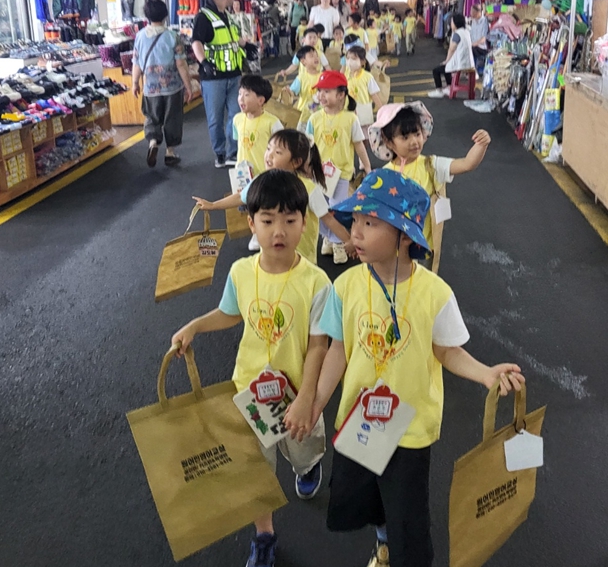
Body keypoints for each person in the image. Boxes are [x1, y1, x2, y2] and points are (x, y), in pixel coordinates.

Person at [310, 169, 524, 567]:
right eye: (354, 221)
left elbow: (448, 351)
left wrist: (485, 373)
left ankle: (403, 552)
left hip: (410, 425)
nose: (355, 232)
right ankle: (383, 542)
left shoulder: (435, 293)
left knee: (407, 509)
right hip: (360, 419)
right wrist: (316, 403)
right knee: (366, 495)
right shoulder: (345, 287)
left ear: (404, 235)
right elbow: (337, 350)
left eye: (369, 223)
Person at [172, 170, 332, 567]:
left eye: (290, 220)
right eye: (267, 220)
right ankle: (264, 535)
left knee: (301, 449)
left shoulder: (317, 282)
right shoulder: (241, 272)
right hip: (249, 390)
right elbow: (230, 314)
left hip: (297, 393)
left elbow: (318, 346)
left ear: (304, 222)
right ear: (251, 223)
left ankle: (308, 465)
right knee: (253, 469)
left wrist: (308, 397)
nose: (279, 231)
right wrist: (195, 325)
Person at [193, 130, 355, 264]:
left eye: (277, 152)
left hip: (302, 258)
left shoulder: (309, 189)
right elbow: (240, 197)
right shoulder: (262, 181)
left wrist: (349, 241)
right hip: (271, 255)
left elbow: (328, 219)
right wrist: (213, 205)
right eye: (268, 148)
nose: (269, 155)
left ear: (296, 162)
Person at [368, 102, 491, 269]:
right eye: (405, 137)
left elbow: (466, 164)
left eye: (417, 134)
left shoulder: (431, 165)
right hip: (394, 248)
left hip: (423, 245)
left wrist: (481, 145)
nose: (414, 142)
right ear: (389, 142)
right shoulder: (383, 175)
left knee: (422, 284)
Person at [306, 71, 371, 264]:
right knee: (320, 208)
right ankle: (328, 237)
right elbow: (308, 146)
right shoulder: (314, 119)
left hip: (341, 174)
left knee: (338, 210)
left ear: (341, 94)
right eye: (320, 92)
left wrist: (366, 166)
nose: (321, 96)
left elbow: (359, 144)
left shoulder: (351, 119)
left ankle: (338, 243)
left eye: (327, 91)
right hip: (317, 173)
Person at [131, 0, 194, 168]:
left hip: (150, 87)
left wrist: (135, 83)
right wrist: (188, 87)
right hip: (172, 87)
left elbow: (136, 62)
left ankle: (153, 142)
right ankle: (170, 152)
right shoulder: (173, 37)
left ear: (147, 16)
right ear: (166, 15)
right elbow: (181, 64)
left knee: (151, 116)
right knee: (172, 118)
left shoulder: (140, 36)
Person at [191, 0, 246, 168]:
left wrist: (245, 46)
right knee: (215, 118)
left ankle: (233, 152)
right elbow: (196, 41)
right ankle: (220, 153)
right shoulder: (204, 17)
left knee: (236, 114)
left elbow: (230, 41)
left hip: (233, 74)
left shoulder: (226, 15)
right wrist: (203, 62)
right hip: (213, 77)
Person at [232, 75, 283, 176]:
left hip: (265, 174)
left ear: (260, 101)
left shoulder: (272, 123)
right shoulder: (237, 119)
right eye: (239, 93)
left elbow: (281, 150)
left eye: (246, 95)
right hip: (242, 174)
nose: (241, 99)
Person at [429, 13, 475, 99]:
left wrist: (446, 61)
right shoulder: (466, 31)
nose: (451, 24)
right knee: (447, 67)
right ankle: (449, 87)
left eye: (452, 22)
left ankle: (439, 90)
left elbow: (451, 49)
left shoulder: (457, 34)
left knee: (437, 70)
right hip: (469, 62)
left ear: (456, 23)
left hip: (461, 63)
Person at [287, 45, 323, 131]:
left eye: (316, 55)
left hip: (321, 114)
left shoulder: (323, 76)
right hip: (304, 115)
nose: (316, 57)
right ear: (303, 61)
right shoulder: (301, 78)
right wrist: (288, 91)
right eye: (311, 56)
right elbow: (292, 92)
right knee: (302, 139)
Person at [469, 4, 489, 72]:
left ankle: (474, 69)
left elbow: (483, 39)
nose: (470, 13)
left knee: (472, 48)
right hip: (474, 46)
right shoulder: (473, 21)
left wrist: (473, 44)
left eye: (472, 11)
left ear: (477, 12)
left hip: (482, 47)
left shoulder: (484, 21)